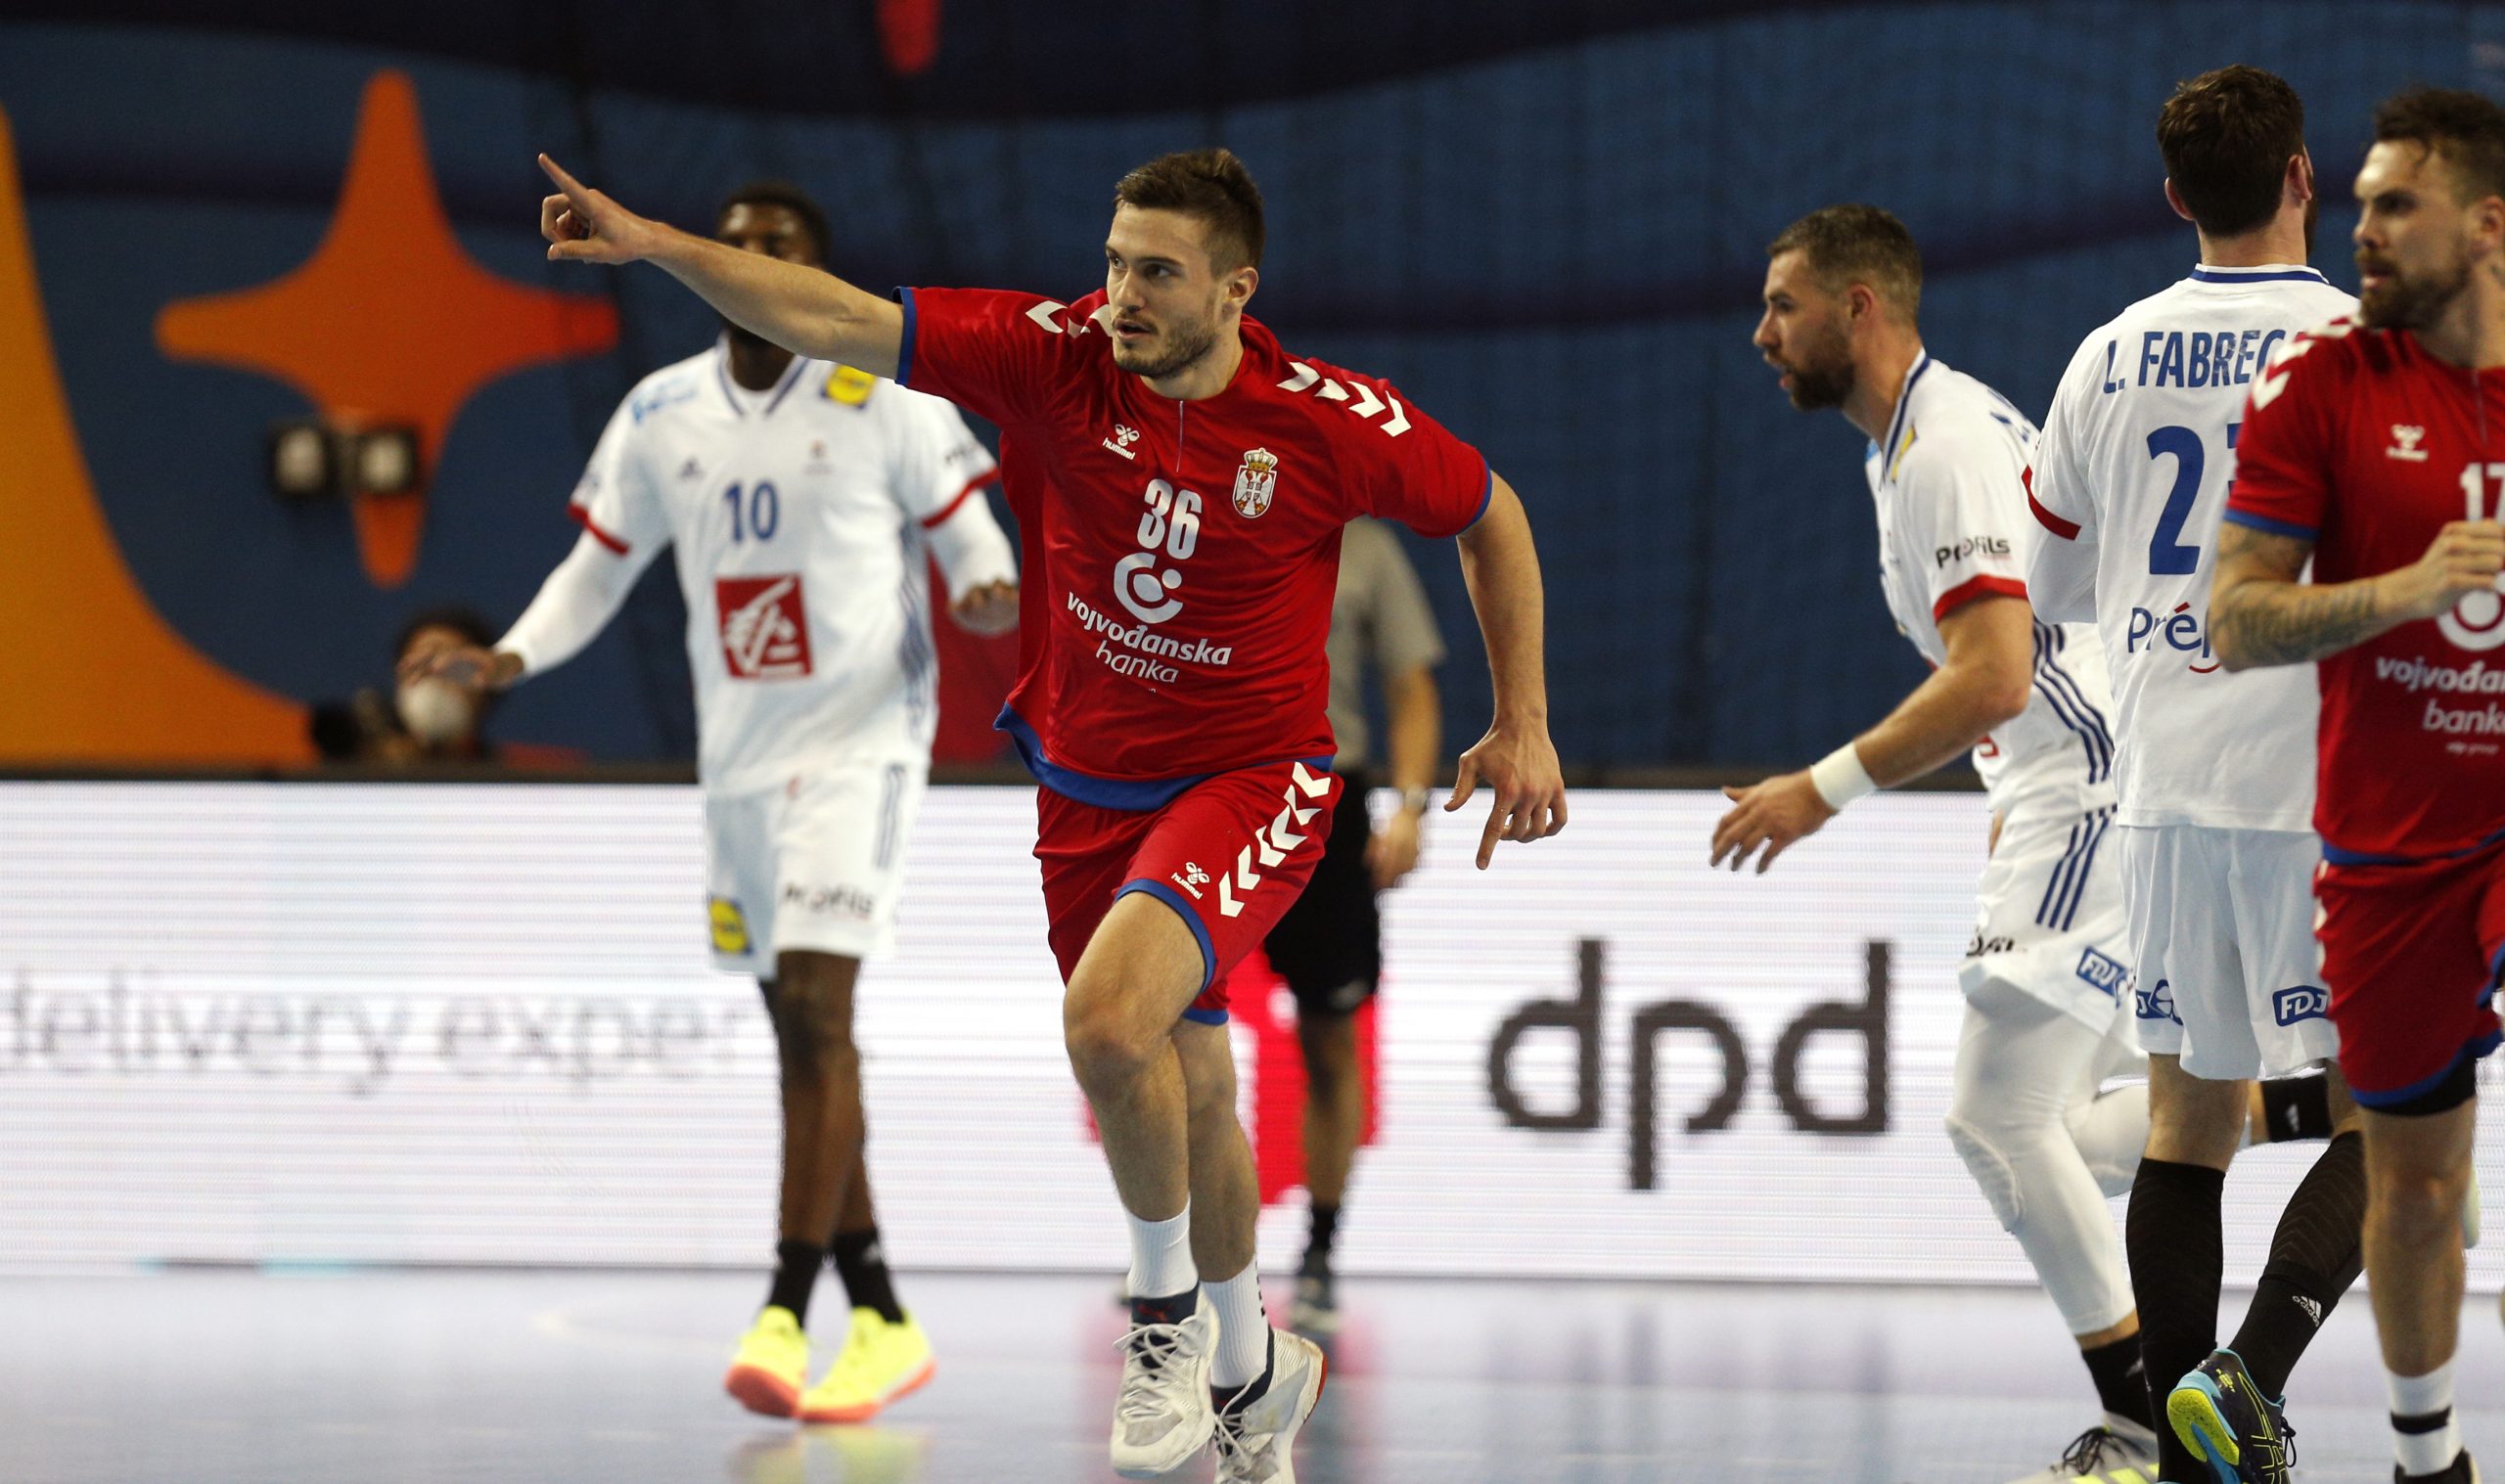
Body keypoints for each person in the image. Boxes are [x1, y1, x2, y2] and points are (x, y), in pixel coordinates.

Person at [527, 144, 1566, 1482]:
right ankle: (1251, 1368)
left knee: (1104, 1023)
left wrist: (1522, 717)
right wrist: (656, 243)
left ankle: (1162, 1325)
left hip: (1252, 776)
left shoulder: (1324, 419)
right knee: (1188, 1079)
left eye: (1158, 273)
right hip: (1083, 782)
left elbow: (1493, 512)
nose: (1121, 294)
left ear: (1235, 291)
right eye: (1114, 262)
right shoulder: (1051, 355)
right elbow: (832, 314)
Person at [406, 180, 1019, 1427]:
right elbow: (596, 570)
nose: (746, 262)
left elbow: (975, 541)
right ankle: (882, 1312)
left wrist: (988, 588)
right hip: (736, 761)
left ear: (815, 273)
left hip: (860, 748)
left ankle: (784, 1308)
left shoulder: (888, 395)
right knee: (800, 1036)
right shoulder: (659, 411)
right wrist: (507, 657)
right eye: (731, 246)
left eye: (774, 248)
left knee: (820, 1009)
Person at [1719, 204, 2158, 1483]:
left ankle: (2142, 1431)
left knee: (1995, 1121)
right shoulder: (1902, 449)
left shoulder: (1946, 446)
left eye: (1783, 305)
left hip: (2085, 788)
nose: (1761, 333)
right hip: (2069, 785)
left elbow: (1997, 675)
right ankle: (2320, 1104)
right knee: (2052, 1137)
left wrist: (1820, 789)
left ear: (1859, 307)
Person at [2025, 66, 2372, 1484]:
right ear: (2305, 175)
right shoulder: (2364, 346)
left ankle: (2188, 1460)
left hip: (2165, 784)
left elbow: (2054, 587)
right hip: (2326, 786)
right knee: (2398, 1117)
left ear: (2175, 196)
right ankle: (2250, 1374)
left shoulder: (2105, 355)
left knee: (2189, 1120)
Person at [2213, 86, 2505, 1484]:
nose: (2364, 229)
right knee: (2416, 1177)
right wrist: (2398, 588)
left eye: (2397, 204)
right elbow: (2234, 617)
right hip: (2396, 852)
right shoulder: (2320, 386)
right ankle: (2424, 1455)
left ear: (2487, 223)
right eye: (2362, 202)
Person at [1262, 516, 1445, 1335]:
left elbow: (1412, 685)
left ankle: (1320, 1250)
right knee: (1172, 1028)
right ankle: (1169, 1252)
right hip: (1209, 792)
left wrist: (1409, 807)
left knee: (1330, 1037)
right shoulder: (1203, 509)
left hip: (1323, 803)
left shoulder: (1365, 546)